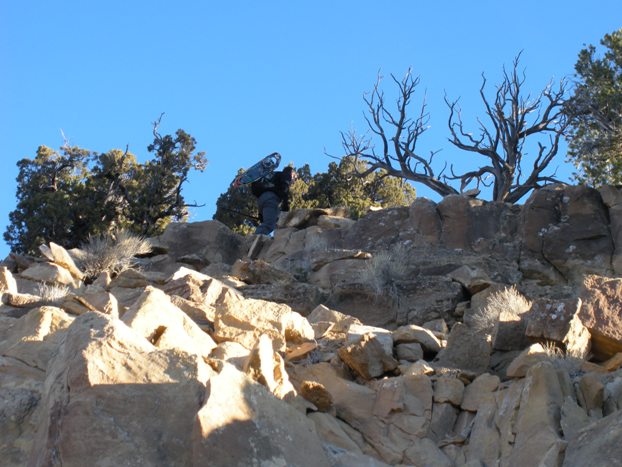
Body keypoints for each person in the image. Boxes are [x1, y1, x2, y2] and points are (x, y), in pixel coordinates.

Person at [250, 165, 297, 235]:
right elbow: (285, 190)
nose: (293, 181)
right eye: (294, 178)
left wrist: (261, 216)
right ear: (292, 174)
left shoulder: (274, 175)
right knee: (269, 225)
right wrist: (286, 210)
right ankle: (253, 241)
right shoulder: (287, 175)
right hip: (271, 199)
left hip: (261, 199)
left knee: (273, 221)